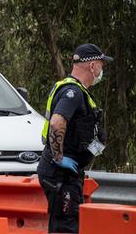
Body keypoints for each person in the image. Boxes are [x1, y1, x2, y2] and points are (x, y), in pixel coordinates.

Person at [37, 43, 112, 233]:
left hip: (65, 174)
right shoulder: (74, 93)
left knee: (65, 224)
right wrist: (58, 157)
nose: (102, 70)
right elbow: (56, 123)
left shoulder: (71, 89)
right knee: (65, 228)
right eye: (101, 65)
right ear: (92, 66)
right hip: (61, 175)